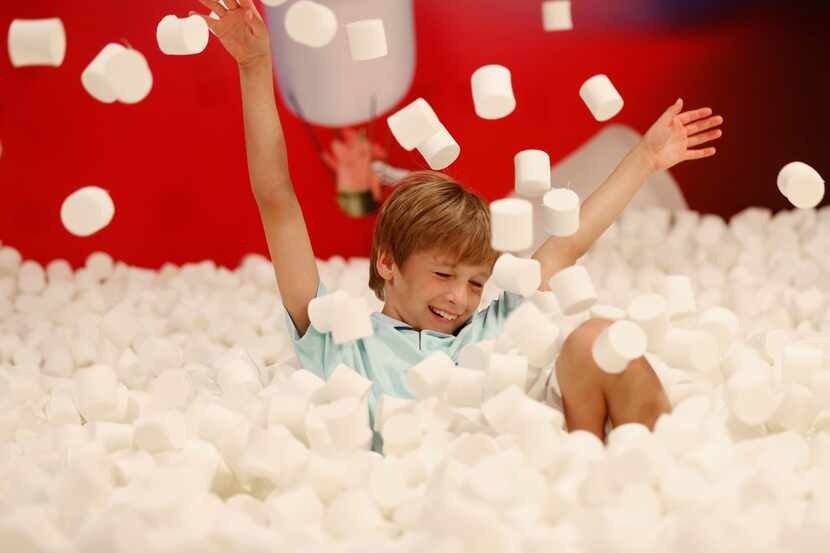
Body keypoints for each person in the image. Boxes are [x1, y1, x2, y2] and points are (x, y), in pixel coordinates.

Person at [194, 0, 724, 444]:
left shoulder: (490, 328)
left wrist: (646, 160)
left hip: (529, 487)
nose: (461, 298)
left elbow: (568, 244)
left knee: (598, 339)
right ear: (388, 262)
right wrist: (254, 65)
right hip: (411, 506)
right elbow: (278, 202)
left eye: (475, 282)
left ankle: (632, 480)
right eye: (444, 275)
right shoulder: (337, 337)